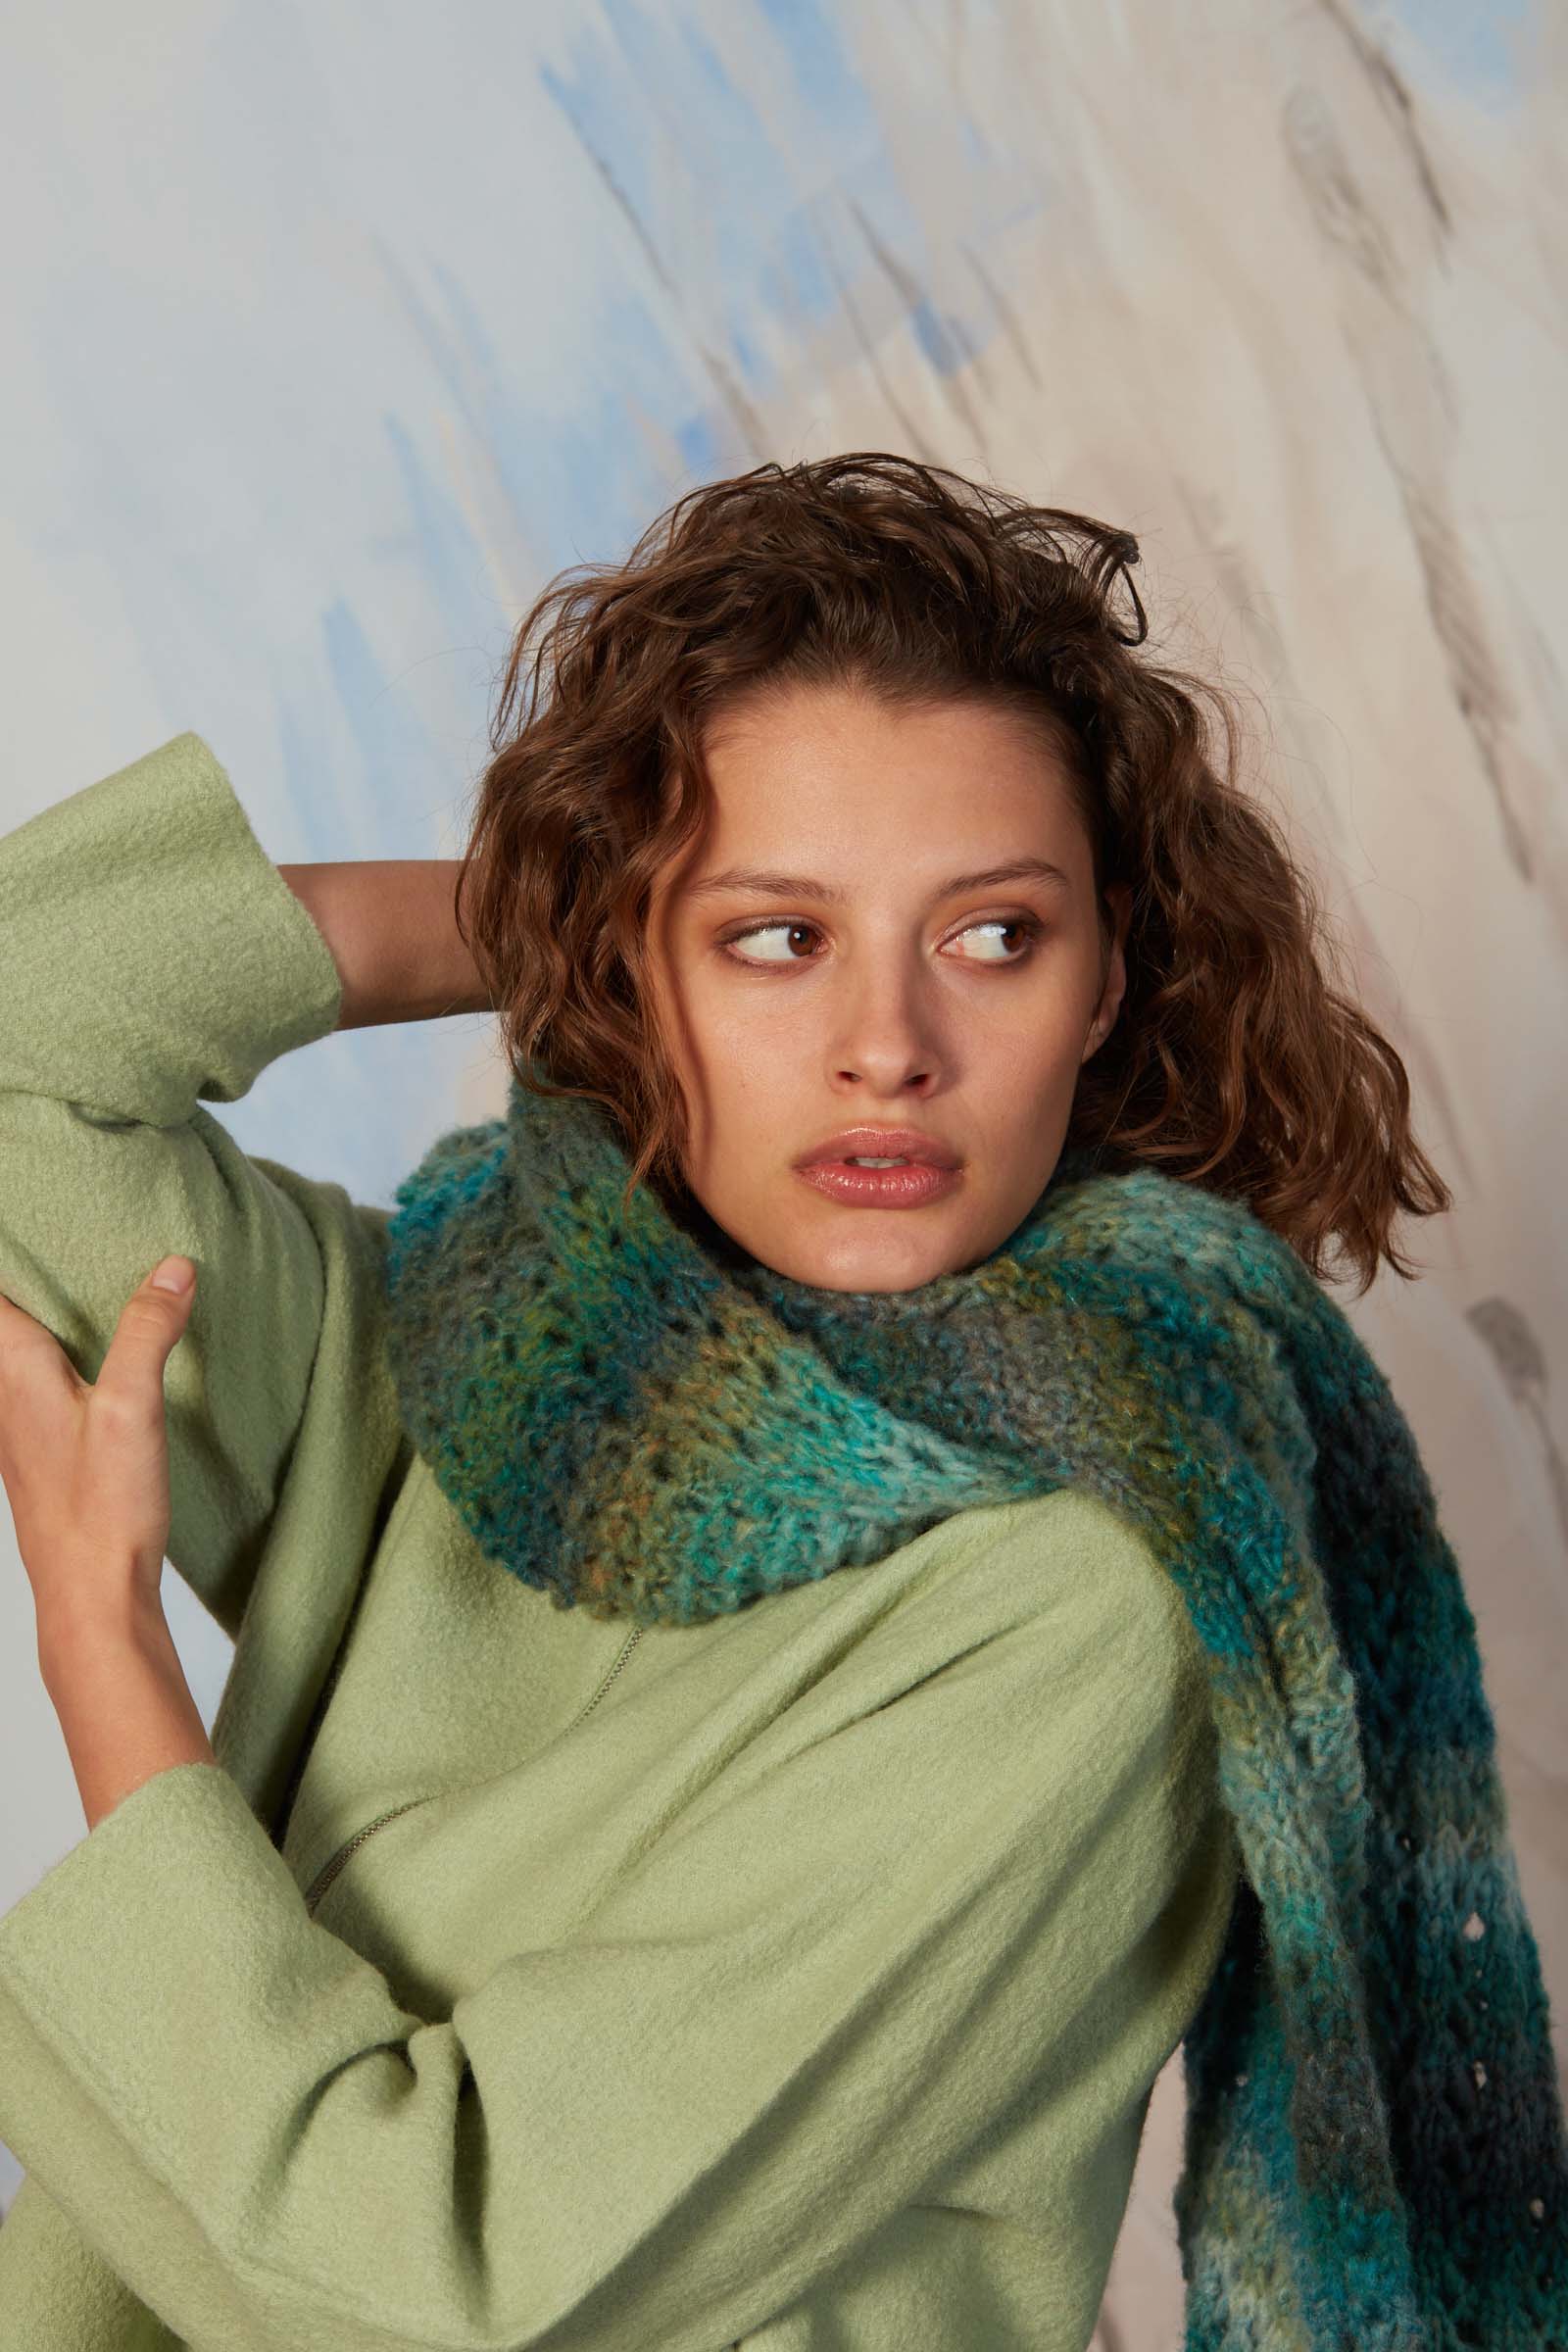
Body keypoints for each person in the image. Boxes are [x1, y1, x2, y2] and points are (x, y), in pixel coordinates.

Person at [0, 453, 1559, 2351]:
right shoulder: (467, 1359)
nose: (885, 1047)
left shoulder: (1082, 1598)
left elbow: (440, 2293)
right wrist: (575, 909)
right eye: (777, 939)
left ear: (1102, 984)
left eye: (992, 936)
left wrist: (104, 1664)